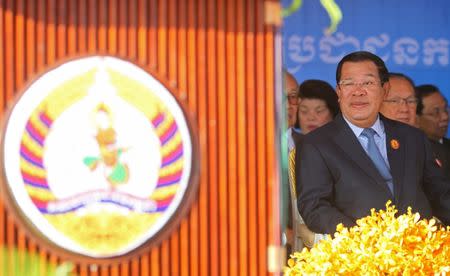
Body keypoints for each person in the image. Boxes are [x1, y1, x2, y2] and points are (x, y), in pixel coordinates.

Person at [296, 51, 450, 235]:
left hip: (419, 247)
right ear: (339, 92)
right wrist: (363, 239)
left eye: (368, 83)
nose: (358, 91)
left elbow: (440, 195)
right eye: (349, 83)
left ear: (385, 90)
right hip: (362, 253)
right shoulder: (317, 144)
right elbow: (314, 207)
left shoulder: (413, 137)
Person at [287, 79, 339, 250]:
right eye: (304, 111)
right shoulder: (290, 146)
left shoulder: (342, 150)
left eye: (319, 111)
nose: (311, 117)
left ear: (332, 112)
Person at [416, 84, 450, 180]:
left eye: (446, 109)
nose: (445, 117)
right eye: (435, 112)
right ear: (416, 119)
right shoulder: (414, 152)